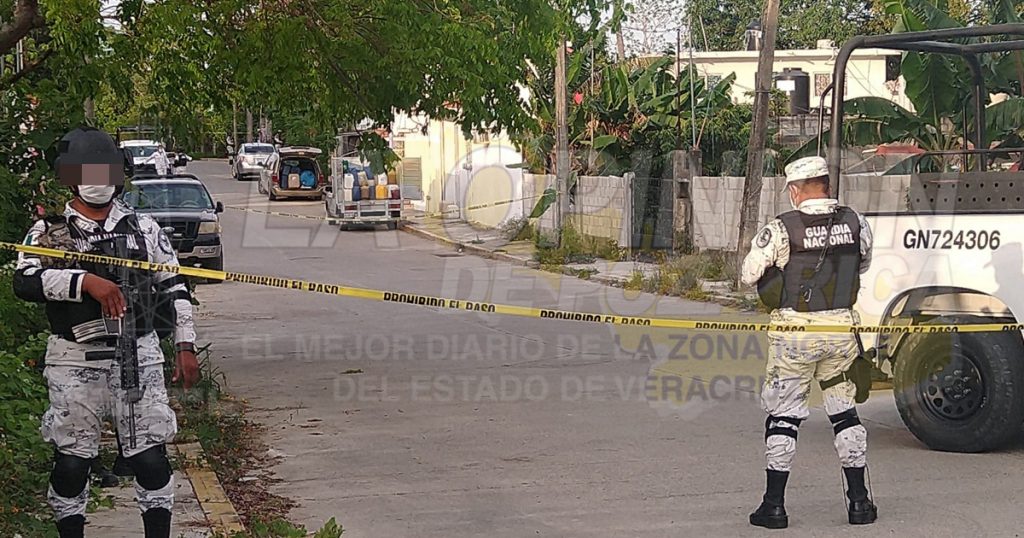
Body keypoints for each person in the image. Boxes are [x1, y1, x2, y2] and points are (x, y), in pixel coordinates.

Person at [13, 127, 200, 538]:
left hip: (139, 356)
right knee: (73, 463)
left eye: (105, 171)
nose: (97, 180)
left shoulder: (144, 229)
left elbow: (176, 288)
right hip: (75, 360)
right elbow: (24, 280)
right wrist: (84, 283)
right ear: (70, 175)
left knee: (150, 459)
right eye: (86, 170)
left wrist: (185, 345)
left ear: (119, 175)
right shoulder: (48, 232)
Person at [740, 156, 877, 529]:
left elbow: (748, 273)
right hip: (841, 331)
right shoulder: (856, 222)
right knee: (844, 411)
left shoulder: (783, 228)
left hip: (796, 334)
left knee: (784, 416)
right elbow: (862, 265)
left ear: (794, 190)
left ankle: (774, 506)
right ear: (828, 185)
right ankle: (860, 504)